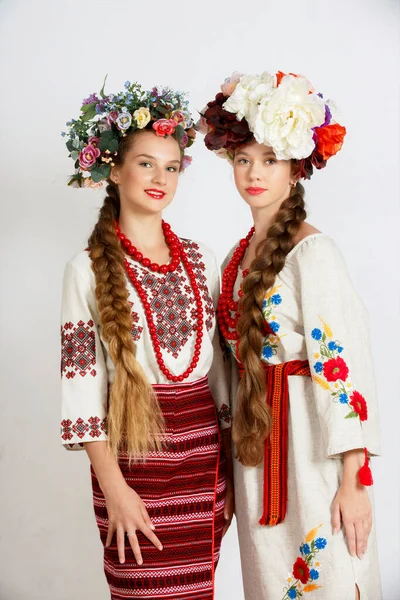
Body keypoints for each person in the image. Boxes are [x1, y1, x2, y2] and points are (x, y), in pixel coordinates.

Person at [199, 71, 382, 600]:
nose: (254, 173)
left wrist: (353, 481)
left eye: (270, 161)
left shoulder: (313, 253)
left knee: (328, 577)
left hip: (312, 453)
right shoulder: (234, 260)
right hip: (257, 456)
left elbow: (344, 367)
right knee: (268, 581)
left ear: (295, 168)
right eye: (243, 160)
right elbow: (226, 372)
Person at [60, 78, 233, 600]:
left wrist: (230, 466)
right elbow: (81, 388)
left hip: (203, 464)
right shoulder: (85, 269)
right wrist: (114, 489)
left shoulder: (202, 260)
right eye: (145, 163)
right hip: (132, 465)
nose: (161, 177)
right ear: (113, 169)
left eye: (172, 166)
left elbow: (221, 374)